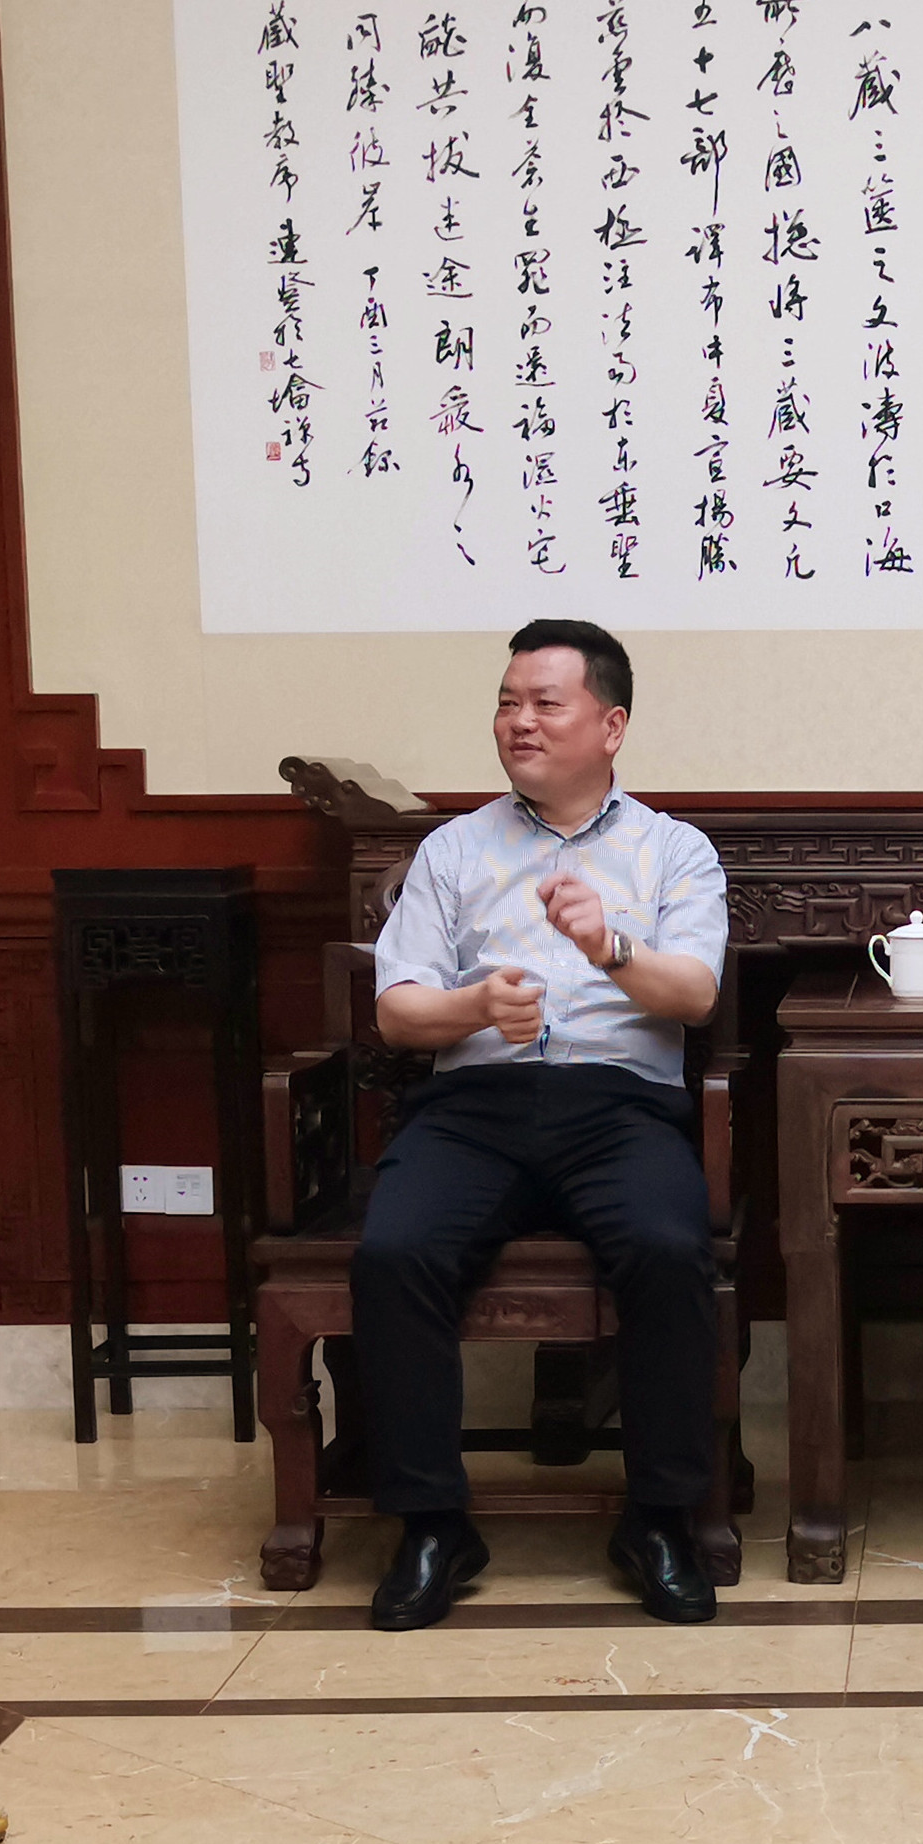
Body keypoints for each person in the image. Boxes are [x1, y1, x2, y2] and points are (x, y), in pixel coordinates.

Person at [354, 618, 730, 1632]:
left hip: (619, 1105)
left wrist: (609, 947)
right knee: (394, 1251)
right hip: (473, 1106)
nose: (519, 721)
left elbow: (694, 994)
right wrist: (476, 1006)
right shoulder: (453, 849)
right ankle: (433, 1523)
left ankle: (658, 1518)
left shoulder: (675, 852)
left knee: (667, 1248)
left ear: (610, 725)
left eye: (544, 703)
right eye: (507, 702)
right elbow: (398, 1012)